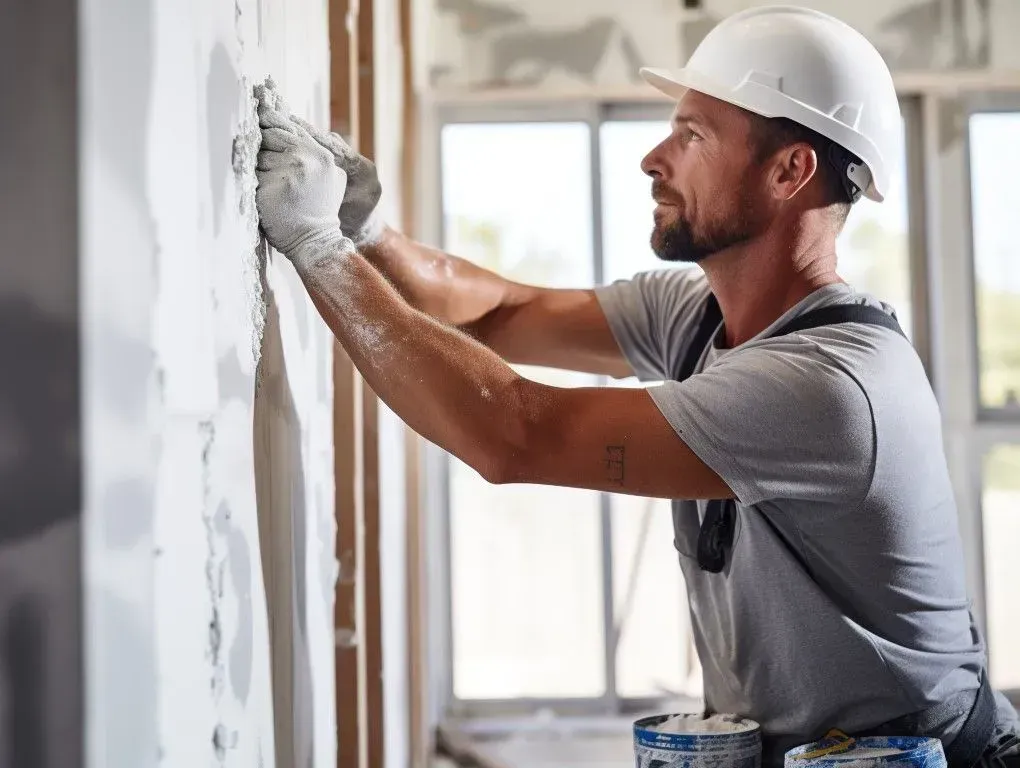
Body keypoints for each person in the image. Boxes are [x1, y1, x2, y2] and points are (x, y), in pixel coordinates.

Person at [254, 6, 1019, 765]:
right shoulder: (697, 315)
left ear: (790, 171)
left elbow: (516, 433)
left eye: (693, 136)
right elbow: (502, 309)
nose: (654, 158)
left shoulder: (833, 387)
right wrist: (366, 233)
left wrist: (318, 247)